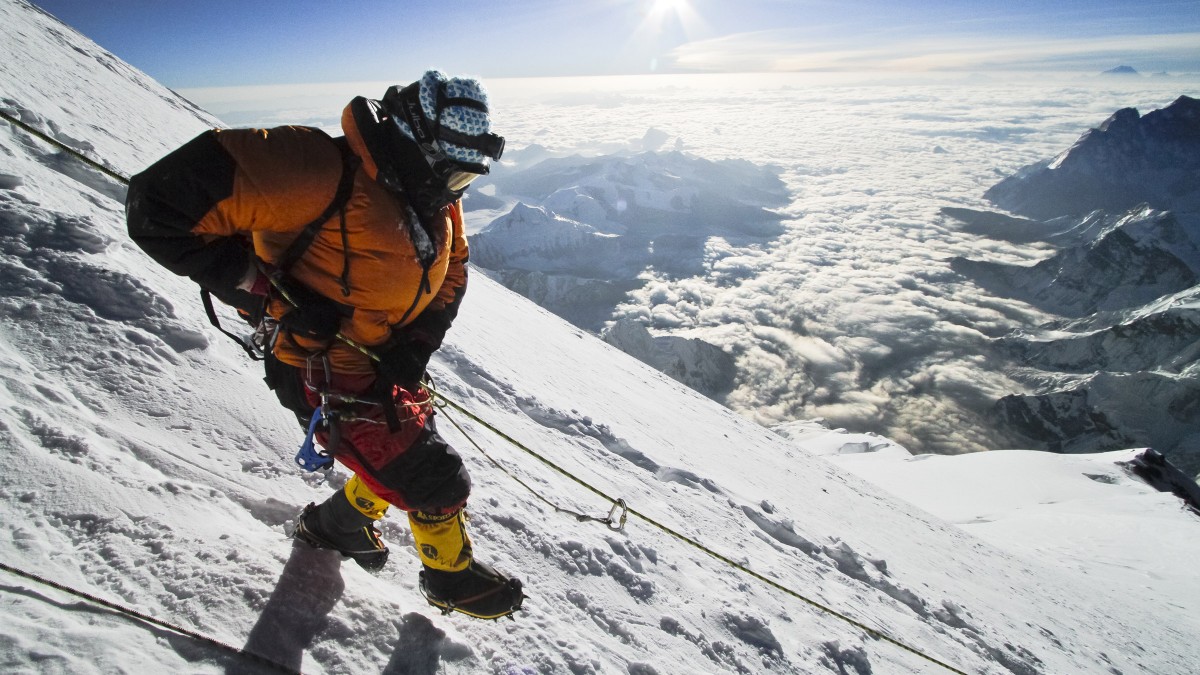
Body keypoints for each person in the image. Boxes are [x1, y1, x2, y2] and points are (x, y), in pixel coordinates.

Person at [125, 70, 523, 620]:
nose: (455, 192)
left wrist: (418, 343)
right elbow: (157, 205)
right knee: (431, 476)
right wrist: (267, 295)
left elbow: (452, 270)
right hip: (315, 369)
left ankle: (336, 526)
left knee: (399, 454)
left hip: (381, 362)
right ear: (414, 145)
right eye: (452, 175)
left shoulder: (429, 197)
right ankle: (449, 579)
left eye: (465, 181)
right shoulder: (314, 168)